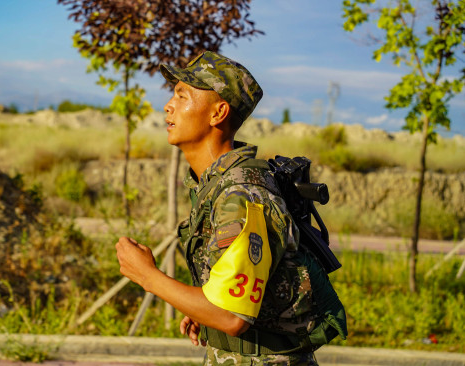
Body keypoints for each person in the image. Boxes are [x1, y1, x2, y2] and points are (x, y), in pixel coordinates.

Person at [115, 51, 347, 366]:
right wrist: (199, 307)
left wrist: (147, 276)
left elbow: (230, 316)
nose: (169, 106)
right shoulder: (216, 185)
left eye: (182, 97)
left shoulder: (242, 195)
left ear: (218, 113)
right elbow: (236, 294)